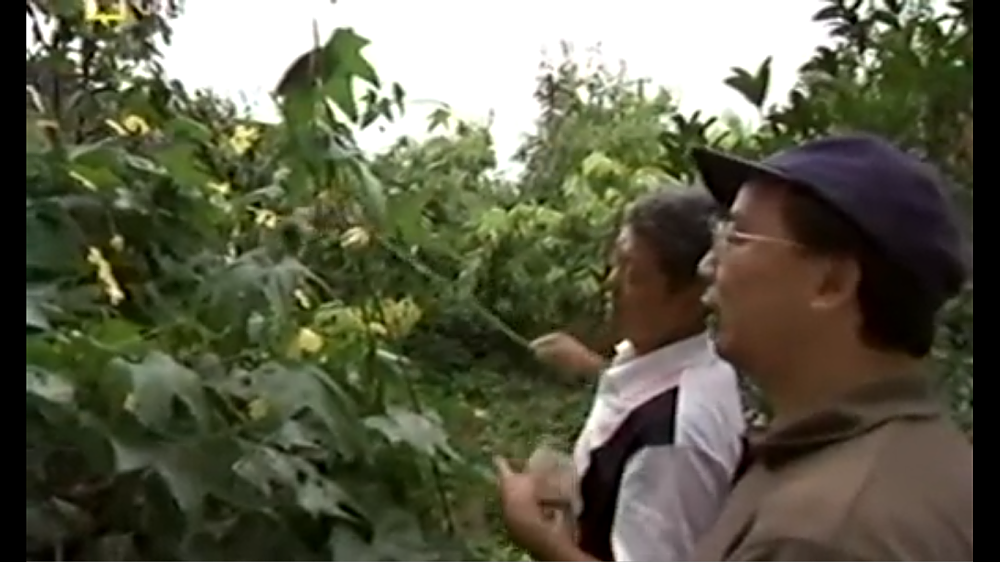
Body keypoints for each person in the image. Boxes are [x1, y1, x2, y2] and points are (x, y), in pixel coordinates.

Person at [690, 133, 973, 560]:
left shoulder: (819, 534)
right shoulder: (928, 458)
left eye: (739, 237)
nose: (708, 265)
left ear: (831, 283)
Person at [495, 188, 746, 561]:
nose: (610, 283)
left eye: (633, 274)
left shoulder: (673, 441)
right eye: (615, 263)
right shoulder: (666, 358)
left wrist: (535, 533)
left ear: (694, 293)